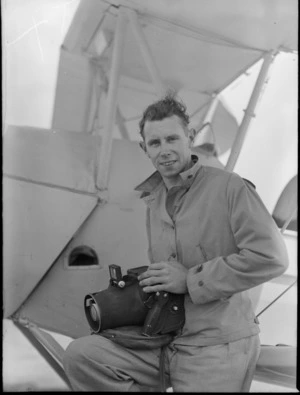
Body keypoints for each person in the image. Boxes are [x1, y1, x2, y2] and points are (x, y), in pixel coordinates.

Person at [63, 94, 288, 392]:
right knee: (83, 356)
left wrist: (191, 280)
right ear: (145, 148)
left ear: (190, 137)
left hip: (218, 346)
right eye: (155, 143)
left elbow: (272, 257)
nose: (165, 150)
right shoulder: (153, 201)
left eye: (172, 139)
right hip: (167, 341)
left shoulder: (230, 187)